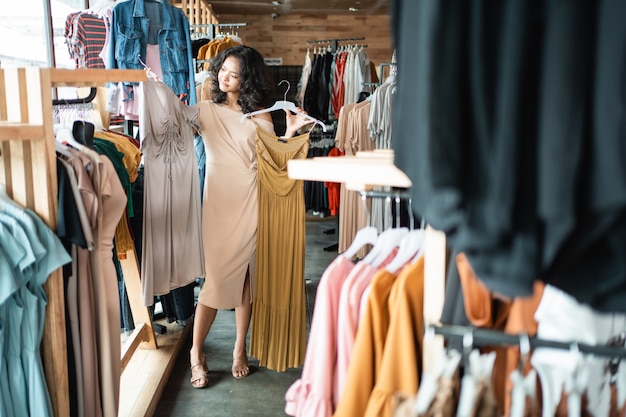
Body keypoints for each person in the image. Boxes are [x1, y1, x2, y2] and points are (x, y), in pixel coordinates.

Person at [189, 45, 313, 388]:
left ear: (249, 79)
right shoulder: (203, 111)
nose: (225, 77)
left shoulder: (262, 117)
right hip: (218, 204)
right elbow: (169, 128)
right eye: (222, 71)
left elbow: (275, 162)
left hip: (252, 202)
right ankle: (196, 354)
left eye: (235, 73)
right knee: (213, 284)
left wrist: (290, 132)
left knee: (246, 280)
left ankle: (239, 349)